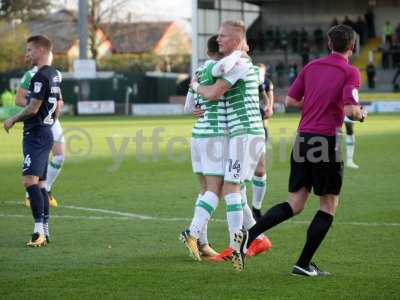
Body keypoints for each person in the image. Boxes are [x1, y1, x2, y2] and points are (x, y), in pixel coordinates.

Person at [234, 25, 368, 275]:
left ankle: (249, 235)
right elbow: (351, 110)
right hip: (327, 141)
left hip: (304, 139)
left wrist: (315, 103)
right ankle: (303, 264)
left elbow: (291, 101)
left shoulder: (311, 67)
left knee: (294, 203)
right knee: (328, 206)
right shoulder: (350, 72)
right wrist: (361, 115)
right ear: (352, 47)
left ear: (329, 43)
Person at [191, 20, 266, 270]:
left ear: (236, 40)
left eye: (223, 36)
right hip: (240, 135)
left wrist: (194, 86)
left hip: (245, 134)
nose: (218, 39)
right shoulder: (238, 61)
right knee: (235, 189)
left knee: (230, 189)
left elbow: (212, 93)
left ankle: (237, 247)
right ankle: (254, 239)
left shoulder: (241, 64)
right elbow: (215, 79)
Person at [3, 35, 62, 247]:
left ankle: (38, 232)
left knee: (29, 182)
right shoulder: (55, 74)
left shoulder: (39, 76)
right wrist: (50, 122)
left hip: (36, 134)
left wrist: (12, 119)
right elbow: (59, 104)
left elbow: (33, 107)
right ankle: (45, 230)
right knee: (41, 184)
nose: (27, 54)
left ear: (40, 51)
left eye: (29, 50)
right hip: (45, 132)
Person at [16, 52, 65, 209]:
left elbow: (58, 97)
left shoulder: (55, 74)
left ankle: (47, 189)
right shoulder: (30, 75)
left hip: (52, 120)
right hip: (37, 121)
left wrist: (59, 105)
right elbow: (19, 99)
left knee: (60, 156)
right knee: (39, 158)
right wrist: (34, 107)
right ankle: (31, 194)